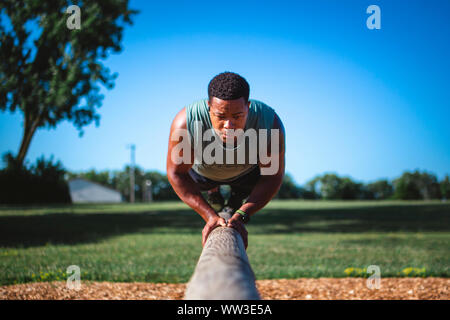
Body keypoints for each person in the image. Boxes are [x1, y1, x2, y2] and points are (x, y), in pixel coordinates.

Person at [166, 72, 285, 249]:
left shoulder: (270, 123)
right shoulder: (185, 122)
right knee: (199, 178)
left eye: (237, 116)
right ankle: (213, 192)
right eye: (221, 116)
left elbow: (271, 177)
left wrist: (243, 214)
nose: (228, 126)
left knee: (246, 187)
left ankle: (235, 199)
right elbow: (176, 173)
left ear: (248, 107)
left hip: (245, 175)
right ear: (208, 107)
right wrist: (209, 215)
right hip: (202, 175)